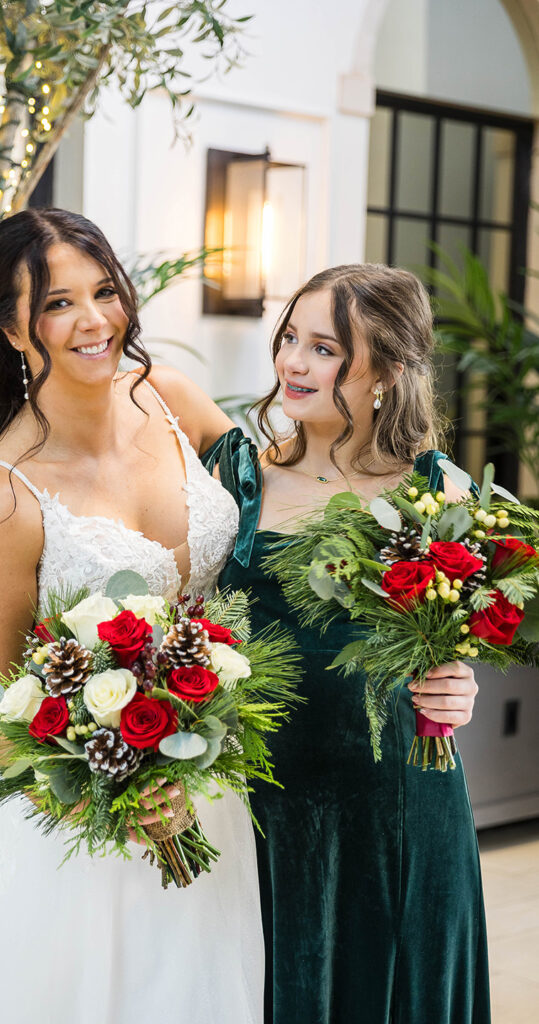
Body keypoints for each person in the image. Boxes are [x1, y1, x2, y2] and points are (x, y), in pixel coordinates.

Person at [0, 209, 264, 1024]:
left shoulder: (173, 399)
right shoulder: (6, 498)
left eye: (104, 291)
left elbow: (279, 501)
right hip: (85, 832)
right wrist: (120, 793)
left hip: (207, 788)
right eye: (56, 304)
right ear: (10, 328)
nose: (94, 321)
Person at [203, 264, 490, 1024]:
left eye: (324, 349)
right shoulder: (231, 480)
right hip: (261, 800)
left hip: (398, 799)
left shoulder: (441, 493)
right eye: (289, 338)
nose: (292, 363)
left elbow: (465, 632)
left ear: (386, 372)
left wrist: (462, 681)